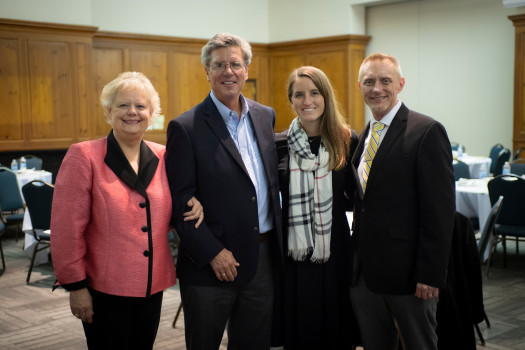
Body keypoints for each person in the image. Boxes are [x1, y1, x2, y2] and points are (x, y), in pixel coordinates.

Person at [50, 71, 203, 350]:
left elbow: (171, 209)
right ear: (109, 111)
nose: (132, 112)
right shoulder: (84, 156)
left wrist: (194, 200)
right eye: (123, 105)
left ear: (152, 113)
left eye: (141, 106)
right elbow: (66, 230)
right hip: (104, 289)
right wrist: (76, 287)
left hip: (152, 285)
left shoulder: (164, 155)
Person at [165, 33, 283, 349]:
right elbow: (180, 203)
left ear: (246, 69)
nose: (227, 71)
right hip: (210, 266)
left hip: (262, 259)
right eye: (219, 65)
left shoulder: (265, 115)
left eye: (235, 64)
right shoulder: (185, 127)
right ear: (207, 72)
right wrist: (213, 252)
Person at [349, 52, 456, 350]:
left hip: (410, 277)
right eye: (369, 82)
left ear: (401, 84)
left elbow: (440, 212)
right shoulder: (365, 135)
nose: (377, 88)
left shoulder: (426, 131)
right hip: (366, 275)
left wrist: (430, 274)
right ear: (360, 86)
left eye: (385, 81)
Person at [274, 66, 360, 349]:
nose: (306, 100)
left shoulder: (347, 140)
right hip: (294, 252)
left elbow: (357, 197)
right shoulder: (278, 145)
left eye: (314, 93)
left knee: (336, 330)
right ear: (291, 100)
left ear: (326, 97)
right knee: (301, 330)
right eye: (299, 94)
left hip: (334, 249)